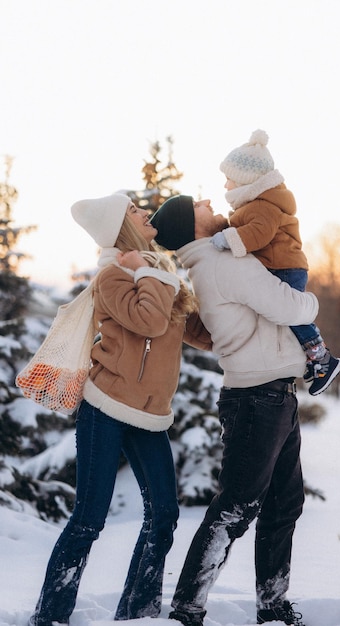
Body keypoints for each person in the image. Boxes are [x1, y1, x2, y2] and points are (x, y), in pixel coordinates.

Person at [28, 193, 211, 626]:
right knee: (89, 519)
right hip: (105, 410)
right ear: (120, 229)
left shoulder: (158, 273)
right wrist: (145, 269)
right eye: (134, 212)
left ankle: (138, 614)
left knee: (164, 514)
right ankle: (49, 616)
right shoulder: (113, 276)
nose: (146, 213)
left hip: (149, 417)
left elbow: (197, 333)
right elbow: (148, 321)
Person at [150, 195, 320, 626]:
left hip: (271, 394)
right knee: (236, 508)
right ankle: (187, 609)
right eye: (199, 204)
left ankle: (273, 604)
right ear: (194, 225)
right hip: (257, 399)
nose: (209, 200)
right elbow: (288, 306)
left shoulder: (211, 263)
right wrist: (311, 305)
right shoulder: (225, 263)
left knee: (284, 504)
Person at [210, 129, 340, 396]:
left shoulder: (263, 205)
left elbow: (258, 234)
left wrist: (229, 238)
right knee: (282, 315)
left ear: (246, 179)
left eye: (229, 179)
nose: (225, 186)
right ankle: (311, 359)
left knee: (290, 313)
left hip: (284, 267)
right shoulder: (257, 204)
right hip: (281, 265)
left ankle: (322, 360)